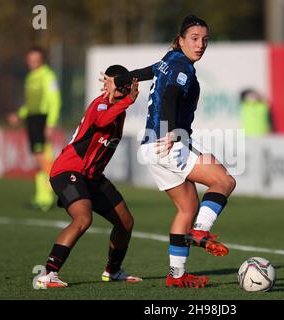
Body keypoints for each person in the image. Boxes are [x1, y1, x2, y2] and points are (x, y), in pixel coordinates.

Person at [102, 15, 236, 289]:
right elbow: (170, 96)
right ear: (181, 39)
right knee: (224, 181)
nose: (201, 45)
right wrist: (173, 131)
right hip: (168, 142)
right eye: (195, 39)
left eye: (205, 40)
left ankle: (176, 275)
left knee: (187, 207)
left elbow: (149, 71)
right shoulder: (182, 66)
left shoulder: (169, 59)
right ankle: (201, 231)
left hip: (152, 146)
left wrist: (121, 79)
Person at [35, 65, 142, 288]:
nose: (107, 85)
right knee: (83, 219)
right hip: (68, 171)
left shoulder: (120, 111)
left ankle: (113, 271)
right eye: (109, 81)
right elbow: (102, 122)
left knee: (125, 222)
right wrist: (127, 100)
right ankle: (48, 274)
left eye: (112, 81)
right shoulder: (101, 103)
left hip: (92, 177)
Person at [7, 47, 61, 211]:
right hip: (32, 119)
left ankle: (53, 192)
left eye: (36, 60)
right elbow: (30, 104)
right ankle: (41, 197)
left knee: (42, 158)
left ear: (42, 60)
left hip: (41, 120)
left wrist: (50, 124)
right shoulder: (31, 77)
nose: (33, 63)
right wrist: (20, 114)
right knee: (38, 160)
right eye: (30, 60)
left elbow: (55, 101)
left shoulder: (48, 76)